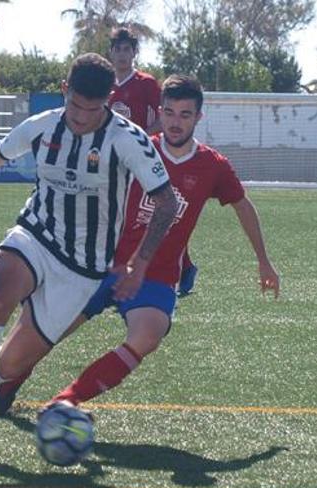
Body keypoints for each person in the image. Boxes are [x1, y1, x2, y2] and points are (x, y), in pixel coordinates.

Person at [0, 53, 178, 452]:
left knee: (10, 366)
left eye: (91, 109)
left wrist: (139, 264)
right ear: (65, 91)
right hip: (35, 234)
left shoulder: (127, 140)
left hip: (83, 267)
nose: (79, 117)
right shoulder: (43, 127)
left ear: (109, 99)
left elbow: (167, 203)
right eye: (74, 105)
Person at [0, 74, 281, 419]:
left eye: (185, 114)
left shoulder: (213, 167)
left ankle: (65, 402)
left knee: (147, 335)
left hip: (156, 276)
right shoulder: (134, 145)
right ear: (160, 112)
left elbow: (243, 205)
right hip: (99, 263)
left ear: (199, 116)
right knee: (49, 331)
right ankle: (9, 384)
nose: (175, 122)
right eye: (169, 112)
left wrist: (264, 261)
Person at [109, 26, 199, 295]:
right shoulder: (105, 85)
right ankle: (116, 269)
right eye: (118, 49)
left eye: (128, 49)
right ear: (110, 52)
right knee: (118, 215)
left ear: (135, 53)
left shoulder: (146, 83)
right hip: (114, 162)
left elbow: (163, 117)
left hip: (144, 160)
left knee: (154, 215)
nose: (123, 54)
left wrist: (140, 138)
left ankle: (184, 265)